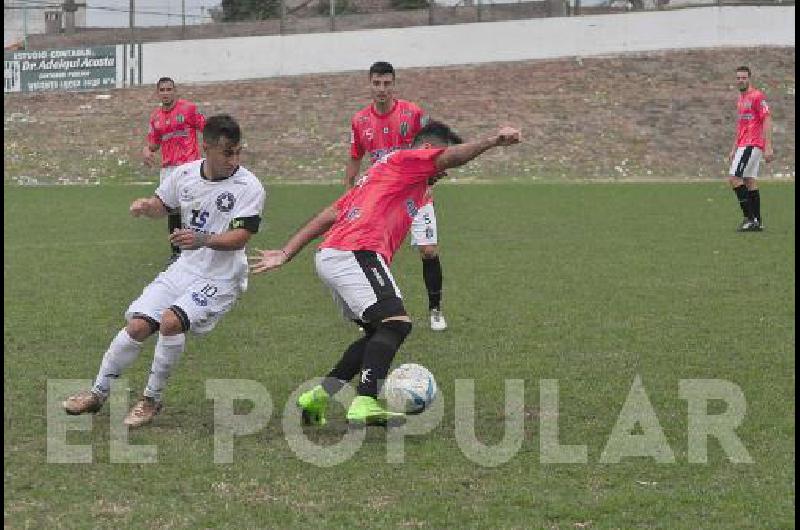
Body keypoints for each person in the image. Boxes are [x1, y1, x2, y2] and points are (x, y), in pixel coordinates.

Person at [251, 121, 521, 426]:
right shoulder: (405, 162)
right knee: (396, 324)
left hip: (336, 254)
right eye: (441, 165)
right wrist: (492, 141)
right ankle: (365, 400)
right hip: (357, 251)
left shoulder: (384, 176)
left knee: (376, 334)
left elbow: (331, 213)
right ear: (427, 151)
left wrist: (286, 252)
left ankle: (319, 396)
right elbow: (453, 157)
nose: (444, 174)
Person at [64, 115, 266, 427]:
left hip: (222, 276)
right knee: (137, 327)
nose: (234, 159)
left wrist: (203, 239)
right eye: (228, 153)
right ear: (207, 148)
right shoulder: (184, 174)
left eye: (239, 152)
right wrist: (146, 207)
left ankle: (151, 399)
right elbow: (162, 205)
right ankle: (97, 393)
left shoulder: (248, 186)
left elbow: (241, 237)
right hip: (185, 267)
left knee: (171, 322)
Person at [346, 61, 448, 331]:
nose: (382, 89)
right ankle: (370, 314)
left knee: (428, 251)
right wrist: (350, 194)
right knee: (371, 254)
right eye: (376, 83)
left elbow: (433, 141)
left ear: (394, 84)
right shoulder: (360, 121)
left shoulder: (412, 114)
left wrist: (435, 169)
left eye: (387, 83)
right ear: (369, 84)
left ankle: (435, 310)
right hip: (380, 200)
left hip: (416, 194)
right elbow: (355, 159)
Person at [143, 77, 206, 260]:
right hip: (169, 170)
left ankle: (200, 248)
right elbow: (153, 144)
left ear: (175, 91)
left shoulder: (188, 109)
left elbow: (207, 128)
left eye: (168, 89)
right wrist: (146, 150)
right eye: (162, 90)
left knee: (194, 207)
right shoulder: (155, 118)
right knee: (173, 210)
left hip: (190, 166)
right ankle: (177, 252)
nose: (165, 93)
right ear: (157, 93)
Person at [727, 66, 773, 232]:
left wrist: (768, 146)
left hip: (752, 143)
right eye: (738, 78)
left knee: (734, 178)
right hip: (743, 144)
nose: (741, 80)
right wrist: (734, 148)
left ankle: (749, 218)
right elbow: (741, 126)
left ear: (749, 78)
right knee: (749, 180)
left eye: (744, 77)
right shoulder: (740, 99)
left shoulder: (757, 96)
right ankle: (758, 221)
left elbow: (767, 119)